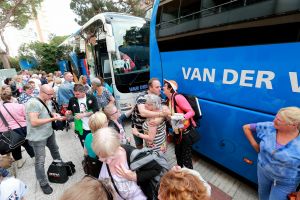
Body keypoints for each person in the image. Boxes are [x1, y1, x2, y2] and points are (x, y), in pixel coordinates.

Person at [243, 107, 300, 200]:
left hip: (285, 183)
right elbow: (246, 127)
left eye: (279, 120)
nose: (274, 121)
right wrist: (255, 145)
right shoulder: (269, 127)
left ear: (293, 125)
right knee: (262, 196)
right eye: (276, 117)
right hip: (263, 172)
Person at [92, 127, 163, 200]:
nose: (109, 162)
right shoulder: (103, 155)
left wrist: (134, 176)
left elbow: (157, 169)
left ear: (117, 146)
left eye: (112, 157)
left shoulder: (134, 155)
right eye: (104, 160)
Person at [25, 84, 66, 194]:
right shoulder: (33, 103)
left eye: (52, 94)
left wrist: (54, 114)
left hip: (48, 133)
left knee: (55, 150)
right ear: (42, 93)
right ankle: (43, 183)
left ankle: (60, 167)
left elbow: (45, 113)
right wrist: (52, 119)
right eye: (50, 94)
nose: (52, 97)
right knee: (40, 161)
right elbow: (34, 122)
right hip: (38, 137)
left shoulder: (45, 100)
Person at [163, 79, 196, 169]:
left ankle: (190, 177)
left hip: (185, 133)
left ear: (170, 89)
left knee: (186, 158)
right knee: (178, 154)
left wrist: (180, 118)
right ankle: (180, 173)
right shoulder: (169, 100)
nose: (163, 88)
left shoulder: (178, 97)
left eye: (165, 86)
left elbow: (191, 112)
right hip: (177, 132)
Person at [131, 78, 170, 149]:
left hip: (150, 129)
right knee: (139, 145)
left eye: (160, 87)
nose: (160, 89)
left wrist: (160, 119)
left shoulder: (159, 96)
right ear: (150, 88)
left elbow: (166, 110)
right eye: (157, 87)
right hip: (138, 127)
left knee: (150, 145)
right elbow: (143, 112)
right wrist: (161, 115)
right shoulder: (142, 97)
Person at [0, 92, 35, 168]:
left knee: (14, 146)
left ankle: (19, 162)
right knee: (27, 144)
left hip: (7, 131)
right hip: (22, 128)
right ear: (11, 98)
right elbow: (27, 117)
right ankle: (35, 159)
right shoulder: (19, 106)